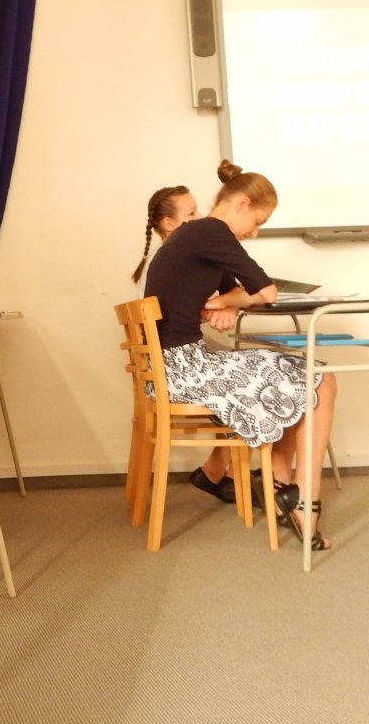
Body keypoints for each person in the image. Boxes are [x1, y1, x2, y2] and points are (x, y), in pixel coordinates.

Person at [143, 160, 339, 550]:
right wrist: (236, 300)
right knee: (319, 378)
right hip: (185, 368)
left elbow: (231, 291)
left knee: (295, 376)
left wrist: (228, 302)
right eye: (258, 221)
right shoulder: (211, 231)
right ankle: (303, 498)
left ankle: (283, 487)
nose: (255, 232)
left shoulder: (196, 237)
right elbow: (265, 292)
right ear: (242, 204)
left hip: (173, 364)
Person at [132, 184, 257, 509]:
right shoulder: (170, 260)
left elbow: (209, 300)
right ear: (168, 223)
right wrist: (225, 303)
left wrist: (227, 304)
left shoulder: (181, 257)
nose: (200, 217)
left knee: (242, 367)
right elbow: (181, 317)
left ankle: (220, 471)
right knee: (253, 379)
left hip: (171, 362)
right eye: (191, 213)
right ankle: (228, 472)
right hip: (173, 368)